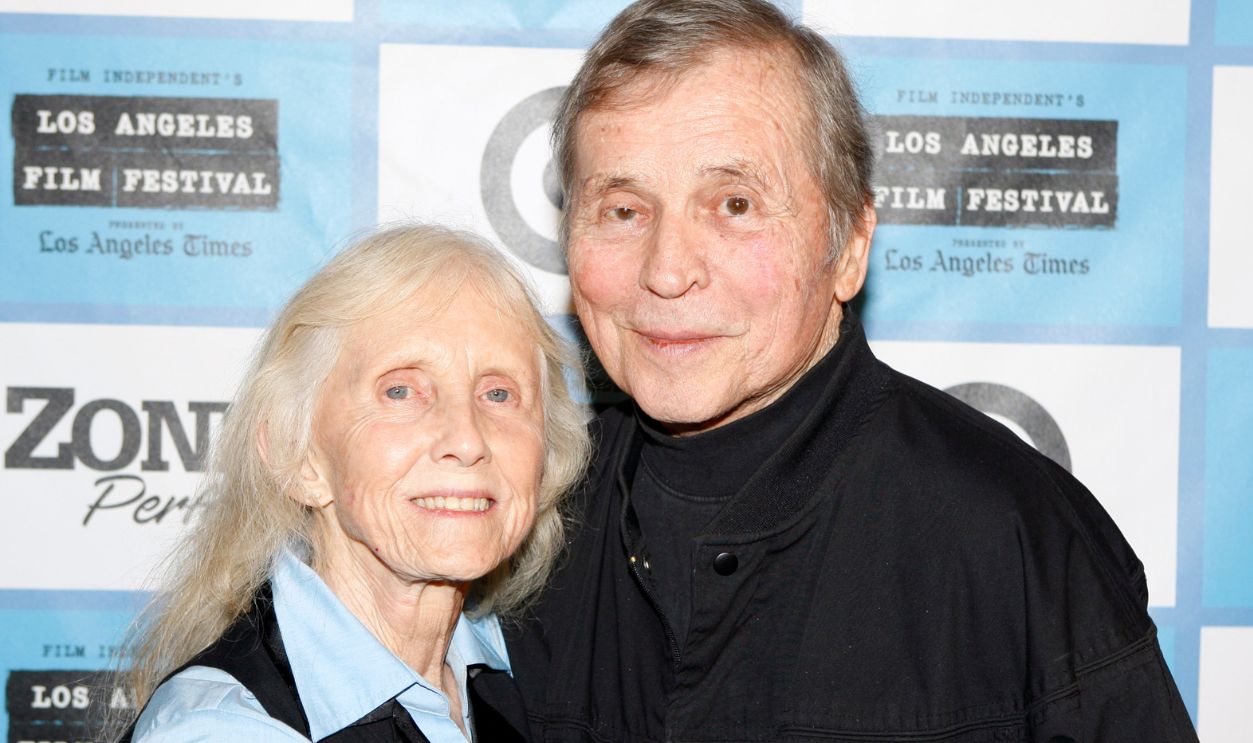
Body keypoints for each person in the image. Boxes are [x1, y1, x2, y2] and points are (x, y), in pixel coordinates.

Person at [504, 1, 1200, 741]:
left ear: (848, 247)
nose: (668, 271)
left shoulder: (1017, 540)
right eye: (621, 210)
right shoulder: (524, 524)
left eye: (734, 204)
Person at [116, 225, 589, 742]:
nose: (468, 438)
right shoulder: (223, 728)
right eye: (401, 390)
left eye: (499, 394)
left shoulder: (531, 680)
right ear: (298, 458)